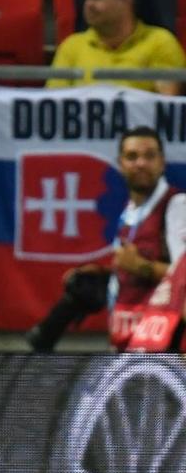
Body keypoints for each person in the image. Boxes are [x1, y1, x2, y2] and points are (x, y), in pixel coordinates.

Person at [27, 126, 186, 352]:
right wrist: (110, 276)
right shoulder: (130, 211)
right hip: (128, 341)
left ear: (162, 162)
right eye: (132, 156)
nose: (141, 163)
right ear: (120, 164)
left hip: (164, 347)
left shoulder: (177, 205)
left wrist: (143, 267)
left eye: (149, 155)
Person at [46, 0, 186, 96]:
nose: (89, 4)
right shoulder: (71, 46)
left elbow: (166, 109)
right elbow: (55, 102)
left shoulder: (161, 42)